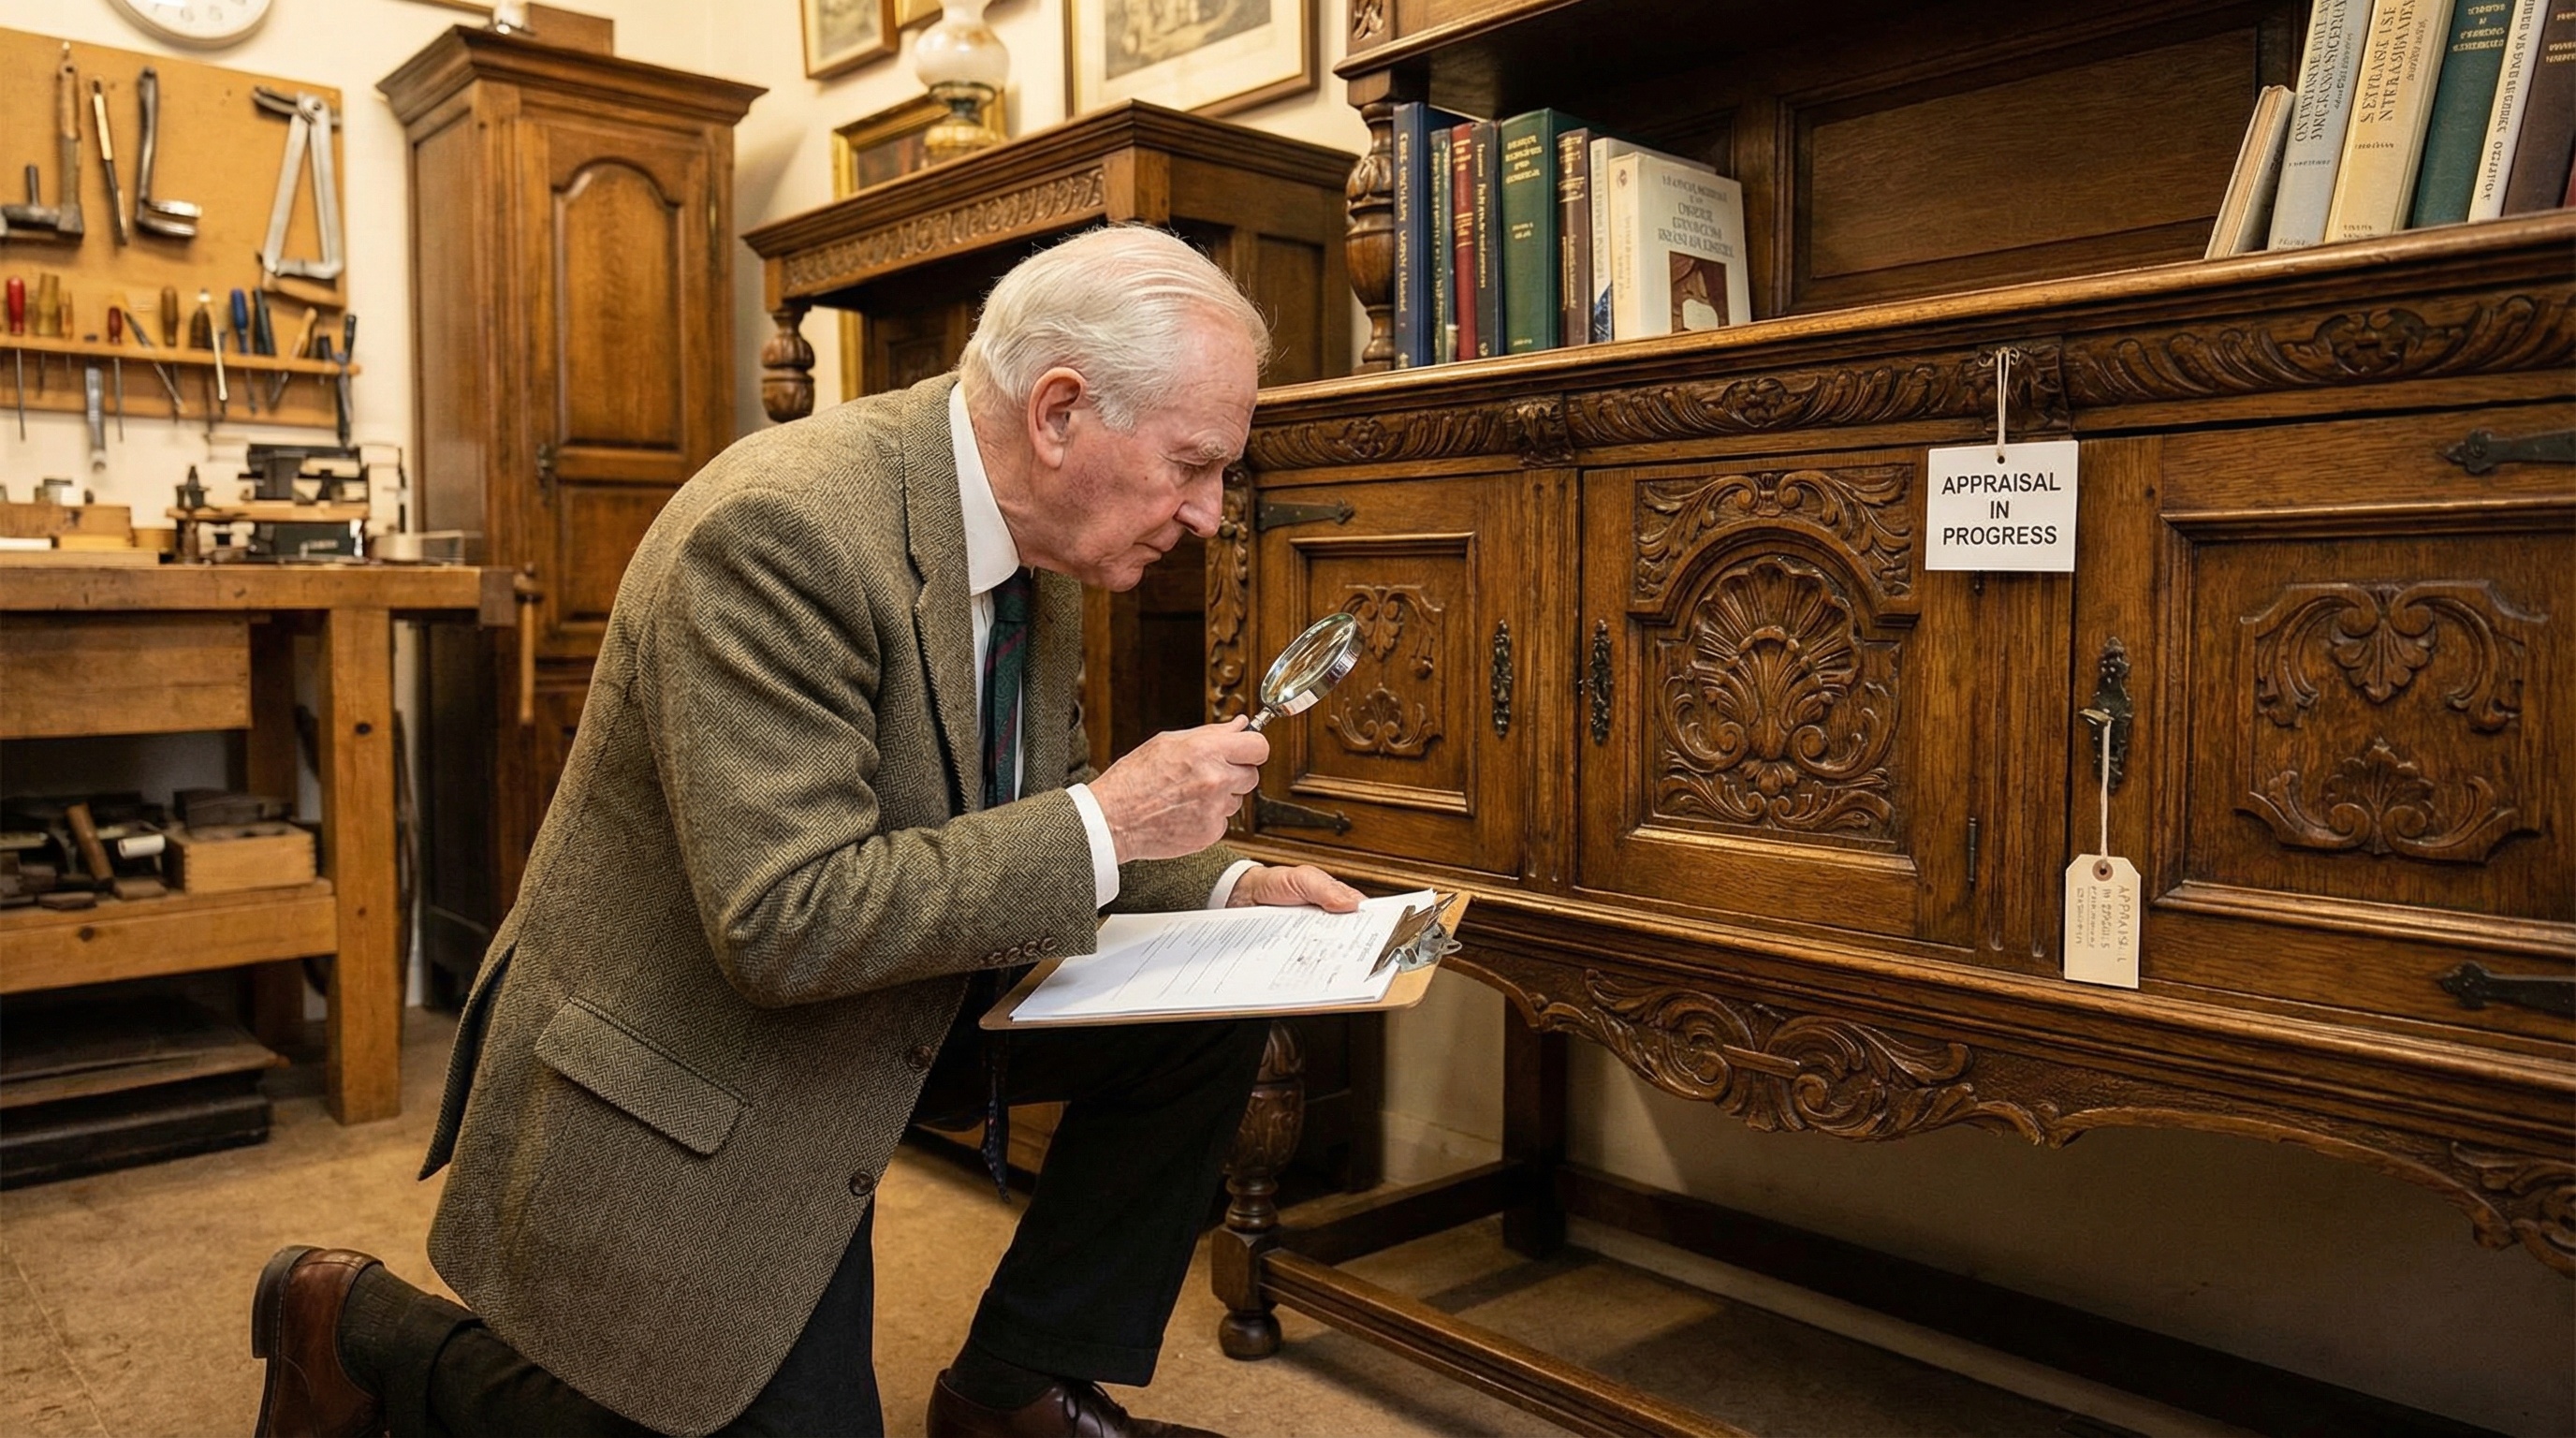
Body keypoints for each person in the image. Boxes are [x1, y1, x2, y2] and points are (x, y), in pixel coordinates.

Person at [249, 225, 1360, 1438]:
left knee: (1209, 1012)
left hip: (883, 998)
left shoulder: (1037, 536)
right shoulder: (781, 533)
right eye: (1192, 466)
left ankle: (1017, 1395)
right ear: (1058, 414)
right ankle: (355, 1325)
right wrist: (1112, 819)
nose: (1207, 515)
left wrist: (1228, 886)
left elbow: (1051, 796)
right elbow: (786, 922)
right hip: (713, 1047)